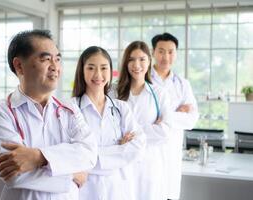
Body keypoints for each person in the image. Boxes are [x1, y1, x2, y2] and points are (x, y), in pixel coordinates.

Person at [0, 30, 97, 200]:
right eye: (46, 59)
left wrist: (39, 157)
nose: (55, 67)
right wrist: (73, 174)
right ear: (19, 66)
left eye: (57, 59)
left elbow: (90, 153)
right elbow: (14, 175)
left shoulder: (69, 110)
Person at [72, 46, 146, 200]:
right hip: (84, 191)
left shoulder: (121, 108)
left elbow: (138, 147)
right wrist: (119, 149)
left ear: (111, 71)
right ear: (82, 71)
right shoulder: (70, 109)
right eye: (91, 68)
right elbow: (73, 155)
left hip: (118, 189)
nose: (98, 74)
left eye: (104, 68)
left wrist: (89, 159)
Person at [116, 41, 172, 200]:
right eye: (131, 59)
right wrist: (150, 128)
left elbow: (165, 132)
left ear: (149, 61)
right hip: (121, 165)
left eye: (142, 59)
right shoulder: (114, 92)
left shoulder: (160, 94)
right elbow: (110, 129)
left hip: (149, 166)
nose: (136, 64)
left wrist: (131, 133)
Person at [151, 32, 199, 200]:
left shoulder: (183, 84)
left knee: (169, 194)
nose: (166, 56)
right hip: (149, 150)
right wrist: (177, 113)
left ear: (176, 53)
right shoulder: (144, 80)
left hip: (172, 151)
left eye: (171, 51)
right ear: (153, 52)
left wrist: (163, 117)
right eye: (161, 51)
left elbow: (192, 119)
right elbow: (141, 117)